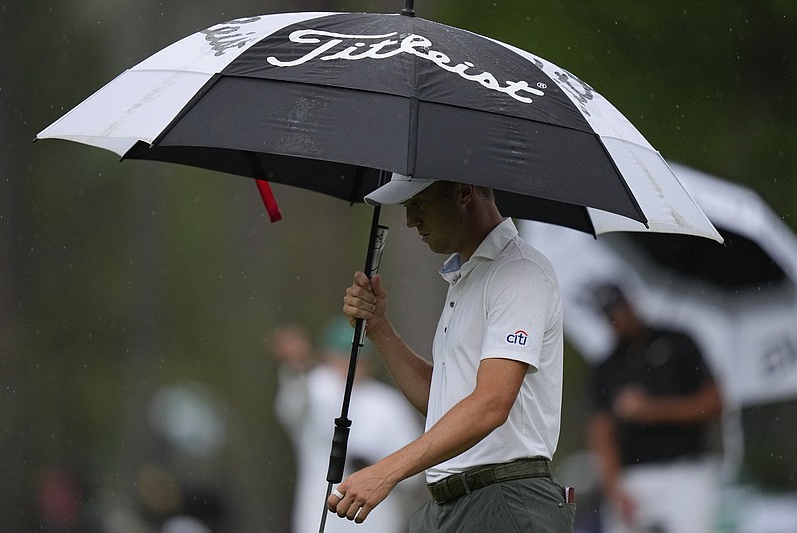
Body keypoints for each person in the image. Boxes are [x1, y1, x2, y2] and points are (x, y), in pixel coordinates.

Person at [328, 174, 575, 532]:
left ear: (463, 192)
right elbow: (443, 402)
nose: (411, 220)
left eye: (419, 204)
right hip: (453, 506)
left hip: (508, 502)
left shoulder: (520, 272)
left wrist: (387, 471)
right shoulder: (469, 276)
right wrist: (378, 327)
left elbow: (491, 403)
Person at [586, 282, 723, 533]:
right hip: (634, 477)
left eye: (617, 310)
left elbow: (714, 403)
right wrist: (614, 488)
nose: (616, 320)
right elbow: (602, 432)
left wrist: (654, 410)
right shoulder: (607, 367)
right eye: (608, 315)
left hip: (686, 472)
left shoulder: (679, 343)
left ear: (631, 305)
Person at [271, 317, 423, 533]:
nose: (351, 363)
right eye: (343, 356)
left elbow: (412, 466)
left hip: (377, 521)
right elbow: (291, 409)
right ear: (328, 356)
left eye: (358, 357)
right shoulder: (314, 388)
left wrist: (377, 468)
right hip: (319, 516)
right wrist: (296, 365)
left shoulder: (388, 403)